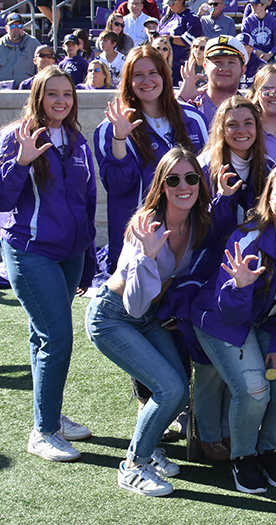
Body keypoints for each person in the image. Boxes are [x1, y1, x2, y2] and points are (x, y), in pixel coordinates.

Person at [85, 147, 235, 496]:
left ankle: (149, 448)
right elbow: (135, 305)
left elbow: (215, 241)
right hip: (114, 317)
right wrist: (148, 259)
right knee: (170, 389)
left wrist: (226, 198)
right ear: (162, 186)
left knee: (178, 386)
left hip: (150, 317)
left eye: (191, 178)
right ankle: (134, 465)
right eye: (173, 179)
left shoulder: (198, 219)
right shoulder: (146, 227)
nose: (184, 185)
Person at [0, 66, 96, 464]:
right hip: (30, 251)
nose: (61, 101)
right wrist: (21, 162)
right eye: (52, 94)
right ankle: (43, 432)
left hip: (70, 254)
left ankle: (49, 415)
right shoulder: (13, 136)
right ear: (37, 96)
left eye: (67, 94)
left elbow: (86, 202)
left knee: (42, 337)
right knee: (56, 338)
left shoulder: (78, 140)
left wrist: (87, 258)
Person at [192, 161, 276, 493]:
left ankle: (270, 449)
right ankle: (244, 457)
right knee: (254, 391)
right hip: (225, 323)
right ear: (268, 197)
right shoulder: (247, 239)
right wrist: (240, 288)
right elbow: (231, 314)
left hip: (272, 326)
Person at [94, 45, 209, 274]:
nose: (147, 81)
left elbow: (205, 179)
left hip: (188, 237)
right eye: (138, 75)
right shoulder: (110, 128)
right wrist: (120, 138)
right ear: (128, 81)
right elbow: (118, 186)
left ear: (165, 75)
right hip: (140, 242)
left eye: (153, 73)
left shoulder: (193, 118)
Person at [181, 36, 248, 124]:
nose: (224, 68)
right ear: (205, 67)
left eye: (231, 62)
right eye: (217, 62)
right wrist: (181, 98)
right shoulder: (189, 106)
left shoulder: (251, 111)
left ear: (243, 70)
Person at [158, 0, 203, 84]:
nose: (170, 6)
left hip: (181, 64)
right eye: (169, 4)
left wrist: (170, 39)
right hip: (163, 64)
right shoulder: (166, 18)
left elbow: (192, 41)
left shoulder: (191, 17)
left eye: (172, 3)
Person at [243, 0, 276, 66]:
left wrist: (270, 54)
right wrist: (256, 51)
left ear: (264, 6)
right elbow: (245, 41)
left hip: (270, 53)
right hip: (252, 53)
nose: (253, 7)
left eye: (256, 5)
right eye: (252, 4)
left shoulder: (274, 21)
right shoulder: (247, 21)